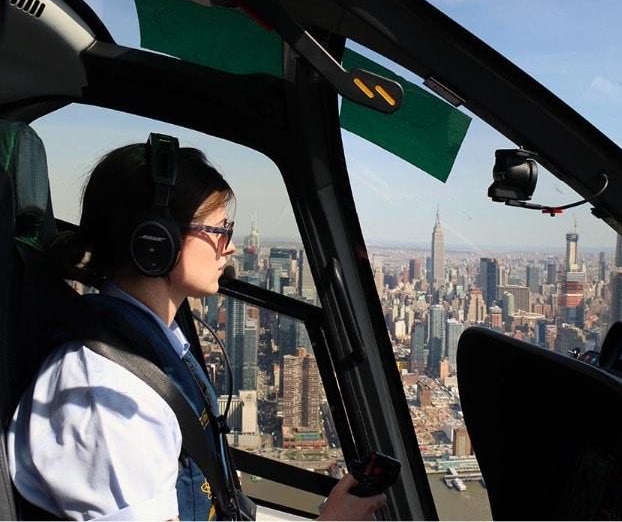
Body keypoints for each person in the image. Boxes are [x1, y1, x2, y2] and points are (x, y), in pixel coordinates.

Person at [6, 136, 386, 520]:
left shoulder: (152, 346)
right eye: (220, 230)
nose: (231, 247)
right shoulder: (106, 396)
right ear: (156, 241)